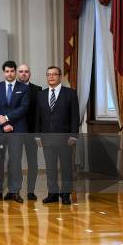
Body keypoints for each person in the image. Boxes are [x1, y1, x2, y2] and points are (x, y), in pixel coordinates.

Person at [35, 66, 79, 205]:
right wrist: (37, 136)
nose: (51, 77)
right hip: (47, 138)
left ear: (60, 76)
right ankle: (52, 193)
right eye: (48, 74)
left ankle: (66, 194)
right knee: (50, 167)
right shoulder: (41, 95)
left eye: (54, 74)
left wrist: (74, 135)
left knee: (66, 167)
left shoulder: (70, 93)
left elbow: (75, 117)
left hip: (65, 138)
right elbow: (38, 117)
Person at [0, 61, 30, 203]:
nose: (10, 74)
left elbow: (24, 108)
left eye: (12, 71)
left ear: (15, 71)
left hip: (17, 129)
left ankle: (14, 191)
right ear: (3, 72)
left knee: (15, 161)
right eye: (7, 71)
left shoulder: (24, 88)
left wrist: (6, 118)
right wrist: (4, 123)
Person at [17, 63, 43, 201]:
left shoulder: (38, 90)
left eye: (26, 71)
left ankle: (31, 191)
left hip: (32, 132)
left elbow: (40, 113)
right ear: (17, 73)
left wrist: (38, 133)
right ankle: (15, 191)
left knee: (33, 163)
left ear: (30, 74)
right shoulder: (11, 89)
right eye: (21, 71)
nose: (23, 73)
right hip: (15, 132)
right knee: (15, 162)